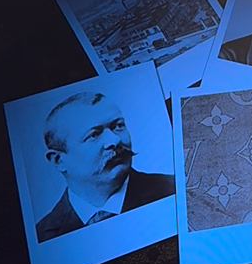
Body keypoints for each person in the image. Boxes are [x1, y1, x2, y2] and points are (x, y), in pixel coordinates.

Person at [35, 92, 174, 242]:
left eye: (118, 126)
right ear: (58, 161)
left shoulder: (173, 189)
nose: (114, 140)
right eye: (94, 135)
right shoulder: (43, 236)